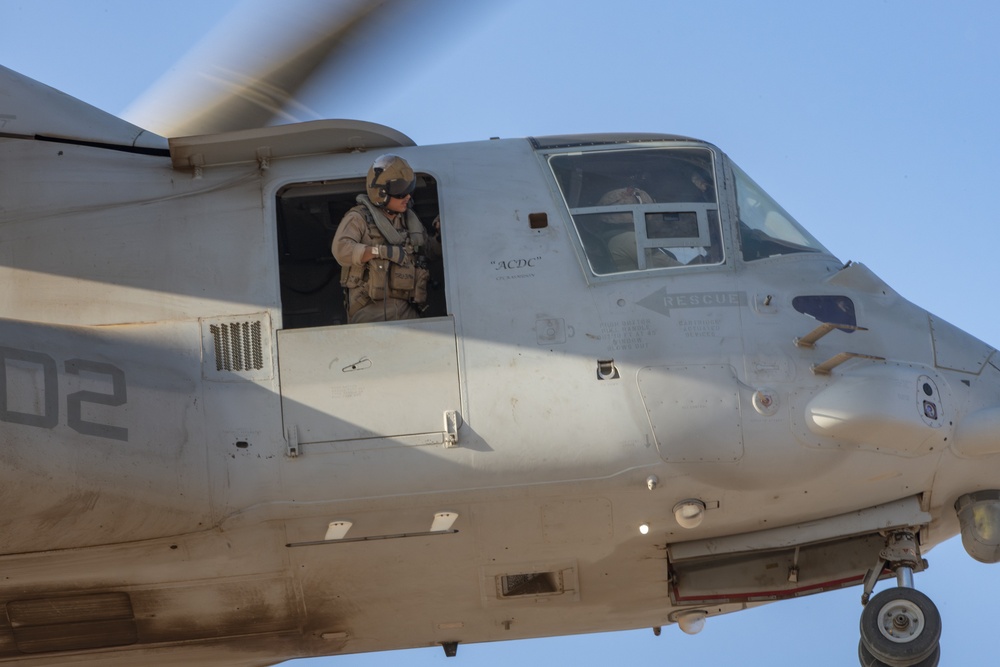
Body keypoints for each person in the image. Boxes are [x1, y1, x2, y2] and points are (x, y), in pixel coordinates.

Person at [332, 154, 440, 323]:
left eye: (408, 188)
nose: (407, 196)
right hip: (370, 312)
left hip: (407, 312)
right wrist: (379, 251)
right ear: (381, 193)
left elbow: (429, 251)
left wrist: (440, 236)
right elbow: (341, 250)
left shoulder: (409, 221)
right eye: (400, 191)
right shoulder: (359, 218)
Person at [596, 187, 682, 272]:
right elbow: (679, 271)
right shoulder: (630, 239)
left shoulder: (614, 238)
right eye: (649, 213)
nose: (652, 218)